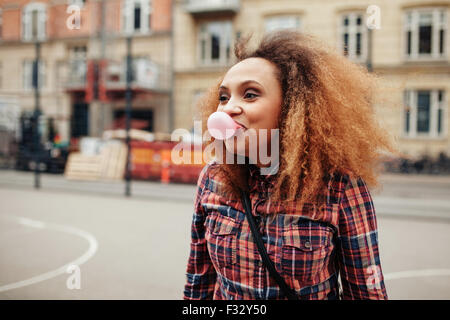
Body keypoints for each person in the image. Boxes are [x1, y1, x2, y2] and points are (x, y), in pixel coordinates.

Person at [183, 30, 399, 300]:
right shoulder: (212, 177)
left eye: (250, 95)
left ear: (293, 107)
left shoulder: (340, 186)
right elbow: (198, 282)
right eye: (224, 97)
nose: (226, 109)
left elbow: (366, 293)